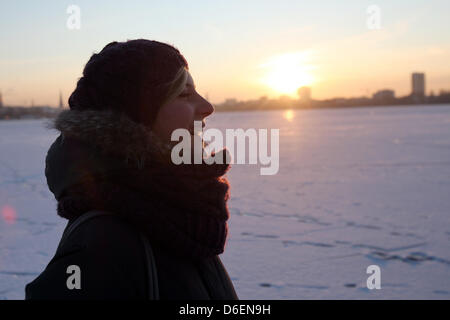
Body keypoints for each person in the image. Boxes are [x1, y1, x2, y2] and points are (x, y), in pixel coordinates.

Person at [25, 39, 238, 300]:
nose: (207, 107)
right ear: (137, 117)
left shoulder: (182, 215)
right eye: (183, 94)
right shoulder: (102, 246)